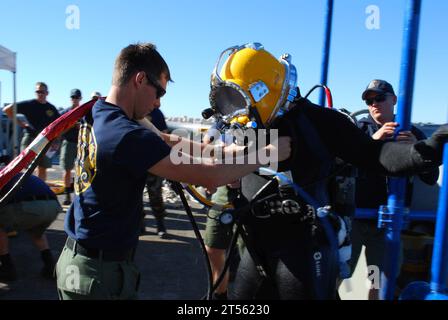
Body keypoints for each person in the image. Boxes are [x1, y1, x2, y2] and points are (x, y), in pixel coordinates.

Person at [204, 42, 447, 300]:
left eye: (236, 100)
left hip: (304, 251)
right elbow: (207, 152)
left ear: (264, 90)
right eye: (227, 102)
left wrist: (430, 148)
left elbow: (376, 155)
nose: (234, 113)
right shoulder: (242, 127)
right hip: (254, 249)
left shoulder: (320, 122)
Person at [55, 42, 291, 300]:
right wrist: (271, 152)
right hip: (97, 274)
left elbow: (166, 139)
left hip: (86, 262)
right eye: (159, 93)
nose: (157, 103)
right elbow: (210, 176)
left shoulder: (102, 110)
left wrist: (230, 153)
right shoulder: (125, 135)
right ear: (140, 79)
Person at [351, 79, 439, 300]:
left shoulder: (412, 132)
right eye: (369, 100)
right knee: (335, 273)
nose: (374, 104)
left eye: (379, 98)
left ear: (394, 100)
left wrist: (416, 153)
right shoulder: (359, 130)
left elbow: (431, 178)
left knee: (377, 281)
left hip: (387, 226)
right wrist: (372, 142)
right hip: (355, 220)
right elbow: (342, 165)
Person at [0, 174, 62, 281]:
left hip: (27, 208)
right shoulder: (17, 172)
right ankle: (50, 265)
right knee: (35, 229)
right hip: (53, 206)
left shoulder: (4, 175)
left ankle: (7, 268)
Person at [2, 82, 60, 181]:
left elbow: (58, 125)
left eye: (42, 91)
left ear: (47, 93)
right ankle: (26, 191)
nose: (40, 94)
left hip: (45, 141)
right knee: (27, 167)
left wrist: (56, 141)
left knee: (43, 168)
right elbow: (7, 109)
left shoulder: (51, 108)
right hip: (31, 139)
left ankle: (40, 191)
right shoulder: (29, 104)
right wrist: (21, 124)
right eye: (38, 91)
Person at [142, 108, 169, 238]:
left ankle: (160, 224)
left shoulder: (157, 114)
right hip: (136, 162)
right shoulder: (132, 112)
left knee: (155, 194)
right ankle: (140, 224)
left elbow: (164, 135)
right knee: (135, 196)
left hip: (154, 163)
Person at [59, 89, 82, 205]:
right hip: (68, 143)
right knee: (67, 169)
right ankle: (67, 194)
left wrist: (80, 127)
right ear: (70, 98)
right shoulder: (65, 112)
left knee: (81, 170)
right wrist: (71, 125)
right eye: (73, 97)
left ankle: (79, 195)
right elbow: (60, 130)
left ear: (80, 99)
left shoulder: (84, 112)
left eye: (77, 97)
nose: (75, 100)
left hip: (81, 143)